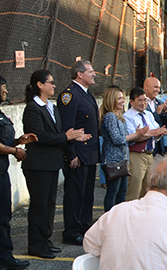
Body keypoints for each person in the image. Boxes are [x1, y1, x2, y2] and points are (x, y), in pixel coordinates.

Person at [22, 70, 86, 259]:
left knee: (49, 204)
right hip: (38, 164)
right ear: (40, 85)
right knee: (39, 205)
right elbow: (40, 137)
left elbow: (58, 133)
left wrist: (73, 137)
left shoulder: (52, 107)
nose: (54, 85)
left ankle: (45, 239)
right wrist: (66, 137)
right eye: (50, 82)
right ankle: (36, 244)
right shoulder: (32, 108)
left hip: (51, 163)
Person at [57, 60, 101, 246]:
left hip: (89, 154)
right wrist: (71, 154)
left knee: (86, 195)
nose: (94, 74)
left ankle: (84, 227)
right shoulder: (69, 95)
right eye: (90, 71)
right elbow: (67, 128)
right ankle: (72, 231)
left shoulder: (86, 94)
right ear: (79, 74)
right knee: (75, 195)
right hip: (79, 154)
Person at [0, 76, 37, 270]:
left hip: (2, 174)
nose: (6, 90)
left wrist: (19, 141)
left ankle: (5, 257)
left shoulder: (2, 114)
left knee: (4, 218)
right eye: (3, 87)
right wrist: (15, 150)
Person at [100, 87, 148, 212]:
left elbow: (126, 138)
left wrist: (137, 135)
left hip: (122, 159)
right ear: (112, 100)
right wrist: (137, 135)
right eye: (119, 98)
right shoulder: (110, 116)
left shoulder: (119, 116)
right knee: (113, 193)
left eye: (123, 98)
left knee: (122, 193)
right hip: (113, 160)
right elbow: (117, 139)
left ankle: (119, 218)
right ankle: (109, 219)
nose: (123, 101)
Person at [124, 87, 167, 200]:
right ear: (131, 101)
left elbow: (156, 131)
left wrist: (158, 133)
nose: (143, 103)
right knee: (134, 189)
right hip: (136, 155)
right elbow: (133, 137)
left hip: (150, 154)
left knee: (148, 190)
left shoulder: (148, 114)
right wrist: (151, 133)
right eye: (140, 100)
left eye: (145, 100)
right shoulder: (127, 116)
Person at [143, 76, 167, 156]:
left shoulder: (159, 102)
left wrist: (164, 111)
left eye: (159, 88)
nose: (158, 90)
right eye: (155, 87)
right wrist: (157, 112)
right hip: (145, 148)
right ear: (146, 87)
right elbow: (145, 123)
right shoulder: (139, 103)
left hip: (159, 146)